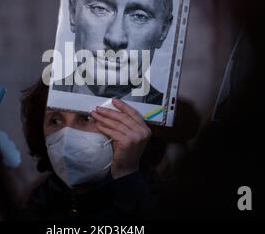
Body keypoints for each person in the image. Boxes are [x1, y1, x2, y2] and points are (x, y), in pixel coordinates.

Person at [18, 80, 159, 220]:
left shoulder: (160, 203)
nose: (67, 135)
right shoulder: (33, 207)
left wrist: (126, 179)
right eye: (55, 120)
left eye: (86, 118)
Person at [53, 0, 174, 105]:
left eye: (139, 16)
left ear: (163, 31)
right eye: (99, 8)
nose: (116, 38)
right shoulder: (40, 101)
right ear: (73, 13)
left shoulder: (181, 121)